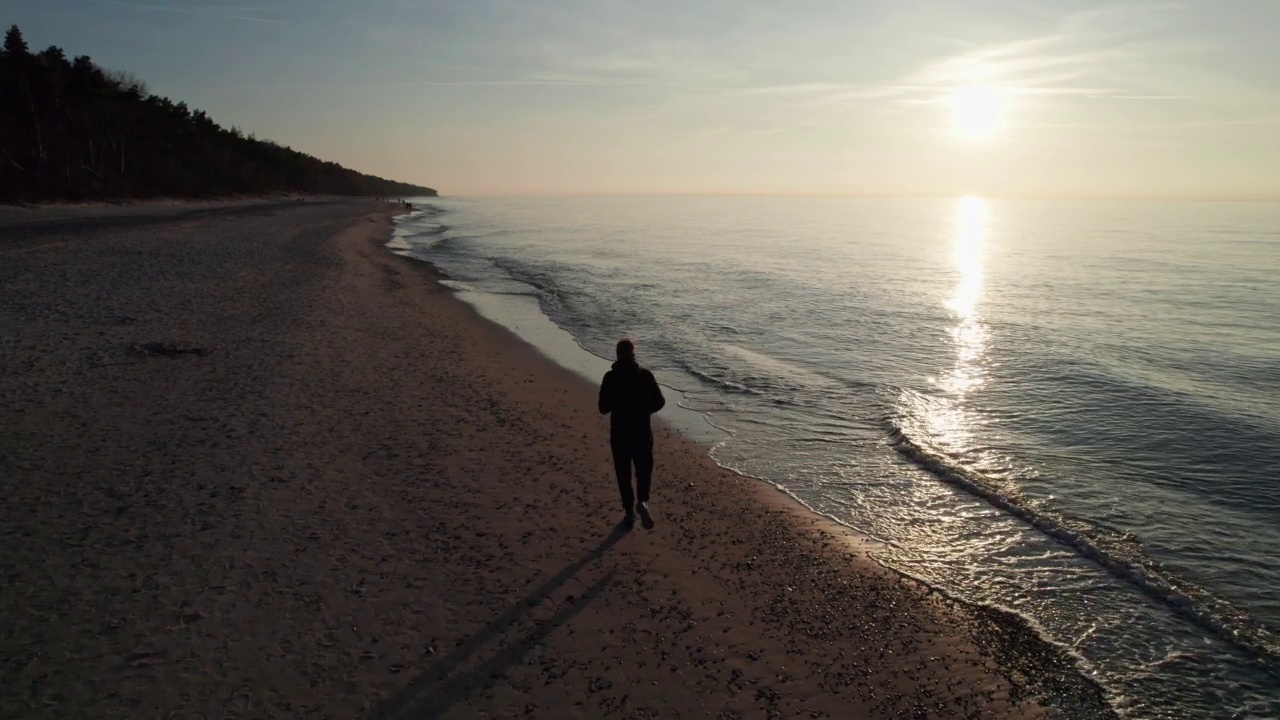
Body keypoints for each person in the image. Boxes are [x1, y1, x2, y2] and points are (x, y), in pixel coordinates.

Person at [598, 338, 665, 529]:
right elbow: (660, 402)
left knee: (623, 474)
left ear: (618, 355)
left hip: (620, 434)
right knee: (644, 471)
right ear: (633, 354)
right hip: (642, 432)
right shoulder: (645, 375)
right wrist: (645, 409)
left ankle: (628, 512)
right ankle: (643, 501)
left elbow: (603, 408)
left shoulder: (610, 377)